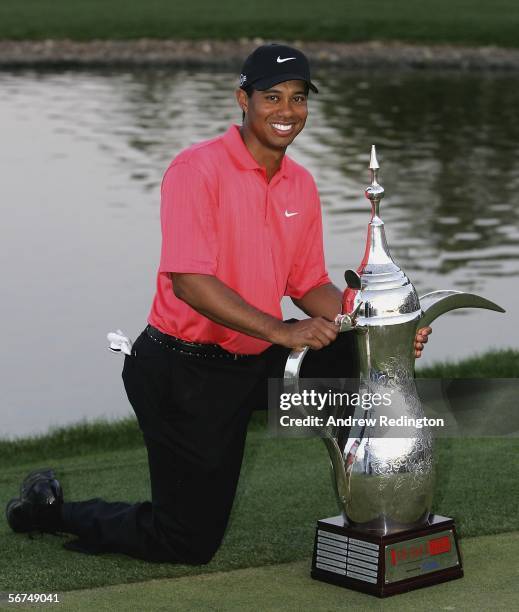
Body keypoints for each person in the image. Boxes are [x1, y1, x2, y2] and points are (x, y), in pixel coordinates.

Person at [5, 44, 431, 563]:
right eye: (272, 97)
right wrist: (283, 332)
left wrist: (377, 329)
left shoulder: (299, 182)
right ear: (243, 100)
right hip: (183, 373)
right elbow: (189, 282)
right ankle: (46, 511)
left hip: (256, 363)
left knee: (360, 362)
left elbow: (308, 284)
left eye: (297, 98)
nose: (287, 111)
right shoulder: (196, 169)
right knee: (185, 542)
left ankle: (374, 505)